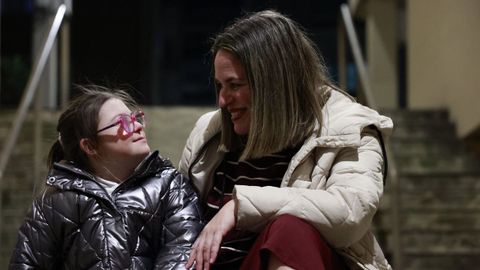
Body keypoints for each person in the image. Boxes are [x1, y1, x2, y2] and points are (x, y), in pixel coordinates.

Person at [179, 10, 393, 270]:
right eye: (219, 86)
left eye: (235, 85)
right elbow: (176, 225)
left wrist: (239, 207)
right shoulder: (208, 132)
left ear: (274, 85)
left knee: (290, 231)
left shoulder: (349, 129)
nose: (223, 101)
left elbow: (349, 213)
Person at [9, 85, 203, 269]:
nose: (137, 126)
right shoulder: (54, 202)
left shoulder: (170, 187)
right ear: (90, 146)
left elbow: (183, 252)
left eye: (135, 118)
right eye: (123, 123)